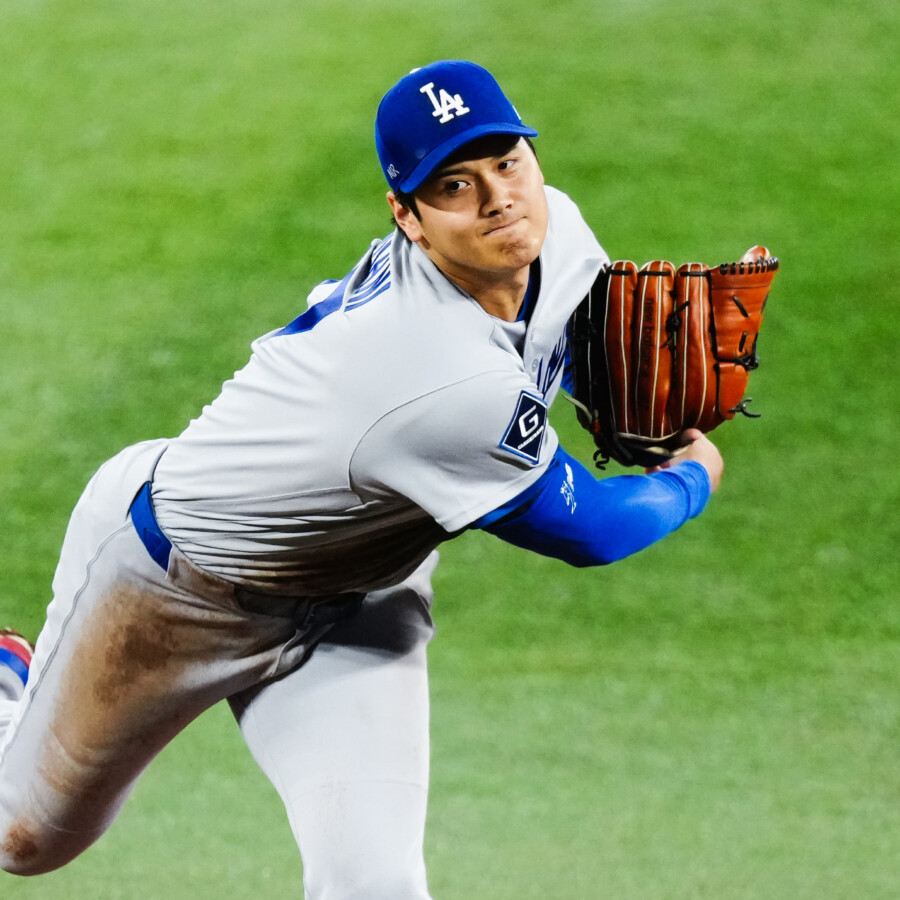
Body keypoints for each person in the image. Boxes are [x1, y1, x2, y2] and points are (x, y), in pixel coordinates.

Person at [0, 60, 722, 896]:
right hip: (173, 593)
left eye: (508, 161)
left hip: (359, 600)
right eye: (454, 183)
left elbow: (571, 335)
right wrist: (690, 476)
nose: (499, 198)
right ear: (407, 217)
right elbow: (588, 529)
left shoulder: (557, 230)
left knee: (373, 884)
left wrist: (610, 394)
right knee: (25, 839)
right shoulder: (437, 375)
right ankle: (14, 682)